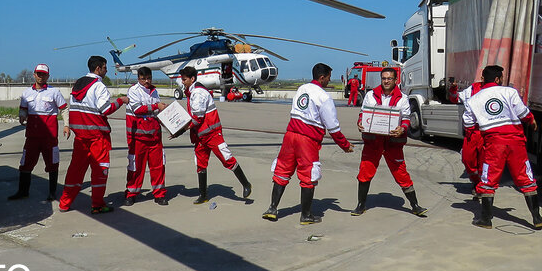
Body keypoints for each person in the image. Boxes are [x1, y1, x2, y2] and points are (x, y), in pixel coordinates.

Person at [262, 63, 354, 224]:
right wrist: (345, 146)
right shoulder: (324, 97)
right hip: (307, 140)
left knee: (282, 170)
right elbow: (333, 127)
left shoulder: (302, 88)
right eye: (328, 78)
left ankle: (272, 208)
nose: (328, 81)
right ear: (322, 77)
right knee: (308, 175)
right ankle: (306, 215)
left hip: (290, 136)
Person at [462, 65, 542, 229]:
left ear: (484, 79)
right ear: (498, 79)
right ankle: (537, 218)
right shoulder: (509, 92)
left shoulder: (473, 100)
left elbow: (468, 124)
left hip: (493, 144)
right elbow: (523, 113)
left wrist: (481, 129)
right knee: (525, 177)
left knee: (488, 180)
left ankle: (486, 220)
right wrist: (532, 120)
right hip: (516, 142)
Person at [58, 56, 127, 214]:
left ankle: (64, 203)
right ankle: (97, 204)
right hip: (97, 137)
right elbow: (105, 109)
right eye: (105, 67)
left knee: (75, 171)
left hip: (81, 137)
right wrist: (121, 101)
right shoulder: (99, 86)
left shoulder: (79, 83)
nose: (106, 70)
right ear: (98, 69)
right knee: (100, 171)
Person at [352, 67, 424, 217]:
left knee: (401, 173)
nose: (386, 81)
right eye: (384, 78)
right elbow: (363, 113)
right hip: (373, 141)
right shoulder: (370, 95)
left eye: (389, 78)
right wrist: (360, 123)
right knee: (365, 171)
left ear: (395, 80)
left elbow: (406, 118)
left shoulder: (403, 98)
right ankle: (361, 204)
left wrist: (402, 129)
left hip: (393, 142)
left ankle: (415, 205)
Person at [177, 66, 252, 204]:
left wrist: (180, 130)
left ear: (192, 79)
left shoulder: (198, 93)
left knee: (226, 158)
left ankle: (246, 184)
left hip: (212, 134)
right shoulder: (192, 92)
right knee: (200, 164)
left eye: (184, 79)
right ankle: (203, 194)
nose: (183, 82)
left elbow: (197, 117)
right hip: (201, 135)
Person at [9, 64, 66, 201]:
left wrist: (67, 125)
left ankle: (52, 193)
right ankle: (23, 192)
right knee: (25, 164)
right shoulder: (26, 93)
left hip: (49, 137)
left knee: (53, 163)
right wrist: (22, 115)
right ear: (34, 74)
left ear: (48, 76)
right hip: (32, 137)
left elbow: (64, 109)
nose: (41, 76)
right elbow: (23, 108)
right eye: (38, 74)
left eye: (44, 74)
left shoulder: (54, 92)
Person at [124, 66, 168, 206]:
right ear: (138, 78)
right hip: (138, 138)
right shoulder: (133, 91)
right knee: (136, 166)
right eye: (143, 79)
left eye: (149, 78)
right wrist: (156, 107)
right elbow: (137, 109)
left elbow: (158, 113)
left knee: (158, 166)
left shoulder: (154, 92)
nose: (147, 81)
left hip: (154, 136)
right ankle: (131, 193)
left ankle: (159, 194)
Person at [458, 78, 485, 191]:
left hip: (487, 131)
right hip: (472, 131)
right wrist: (453, 89)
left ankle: (481, 187)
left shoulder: (497, 91)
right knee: (467, 158)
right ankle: (476, 180)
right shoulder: (472, 89)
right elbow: (456, 97)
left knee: (484, 161)